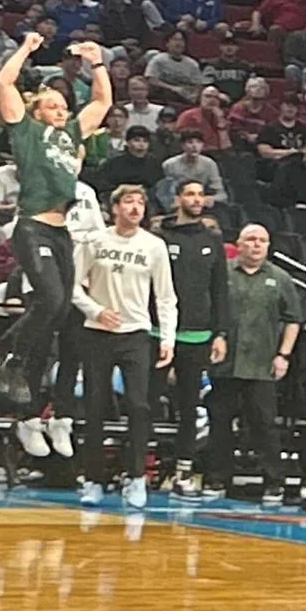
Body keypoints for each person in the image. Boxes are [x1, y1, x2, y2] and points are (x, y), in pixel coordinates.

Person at [0, 34, 112, 437]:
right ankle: (3, 354)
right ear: (36, 111)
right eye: (52, 105)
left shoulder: (71, 134)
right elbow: (4, 83)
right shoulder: (26, 133)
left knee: (58, 310)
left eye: (63, 105)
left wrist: (97, 62)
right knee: (52, 298)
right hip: (32, 225)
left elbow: (102, 103)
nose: (60, 110)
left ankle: (5, 355)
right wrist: (25, 50)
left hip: (62, 232)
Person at [70, 184, 177, 509]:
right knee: (95, 406)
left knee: (139, 406)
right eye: (128, 202)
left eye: (140, 203)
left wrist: (168, 338)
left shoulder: (154, 245)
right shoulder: (94, 241)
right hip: (98, 333)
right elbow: (72, 286)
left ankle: (136, 477)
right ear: (115, 208)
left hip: (136, 333)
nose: (135, 208)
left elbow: (165, 296)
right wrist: (95, 311)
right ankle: (93, 479)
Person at [210, 223, 305, 500]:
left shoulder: (280, 278)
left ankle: (274, 482)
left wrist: (283, 355)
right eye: (251, 239)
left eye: (262, 240)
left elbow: (294, 320)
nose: (256, 245)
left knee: (265, 426)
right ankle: (217, 480)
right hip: (225, 364)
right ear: (239, 244)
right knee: (220, 424)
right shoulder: (222, 273)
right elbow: (209, 310)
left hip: (262, 366)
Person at [155, 179, 228, 493]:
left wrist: (220, 333)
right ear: (177, 199)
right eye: (190, 194)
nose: (196, 199)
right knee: (144, 403)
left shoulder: (213, 240)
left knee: (189, 407)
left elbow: (220, 291)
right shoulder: (159, 237)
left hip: (198, 336)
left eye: (200, 194)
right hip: (158, 332)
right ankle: (137, 469)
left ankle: (183, 471)